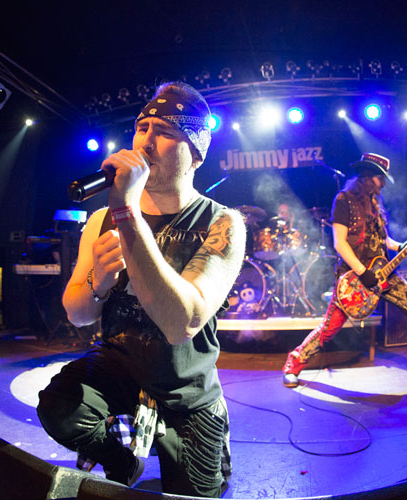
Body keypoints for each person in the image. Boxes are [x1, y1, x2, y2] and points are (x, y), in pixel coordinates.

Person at [36, 82, 245, 497]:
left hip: (186, 387)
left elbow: (183, 323)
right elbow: (77, 313)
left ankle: (204, 441)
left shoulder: (222, 223)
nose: (146, 141)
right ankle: (123, 461)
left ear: (196, 153)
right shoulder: (101, 220)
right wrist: (98, 280)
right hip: (118, 367)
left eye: (164, 131)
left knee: (199, 493)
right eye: (141, 127)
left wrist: (126, 211)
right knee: (58, 405)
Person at [282, 153, 407, 388]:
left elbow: (383, 239)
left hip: (383, 272)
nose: (383, 184)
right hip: (353, 279)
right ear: (369, 177)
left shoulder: (375, 203)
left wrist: (402, 246)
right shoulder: (343, 200)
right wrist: (362, 272)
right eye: (381, 179)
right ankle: (293, 364)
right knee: (329, 328)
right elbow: (340, 243)